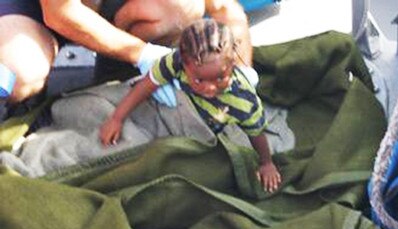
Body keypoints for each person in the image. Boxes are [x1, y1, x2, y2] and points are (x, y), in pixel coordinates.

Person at [99, 19, 282, 192]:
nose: (209, 87)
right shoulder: (175, 60)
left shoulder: (242, 101)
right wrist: (117, 118)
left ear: (233, 64)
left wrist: (266, 163)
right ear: (184, 65)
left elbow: (256, 133)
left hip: (212, 124)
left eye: (220, 77)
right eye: (199, 79)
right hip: (183, 103)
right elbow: (147, 84)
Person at [0, 0, 253, 108]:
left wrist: (243, 76)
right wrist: (143, 54)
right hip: (33, 8)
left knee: (181, 7)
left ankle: (118, 75)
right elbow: (59, 13)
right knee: (19, 73)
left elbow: (225, 11)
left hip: (107, 8)